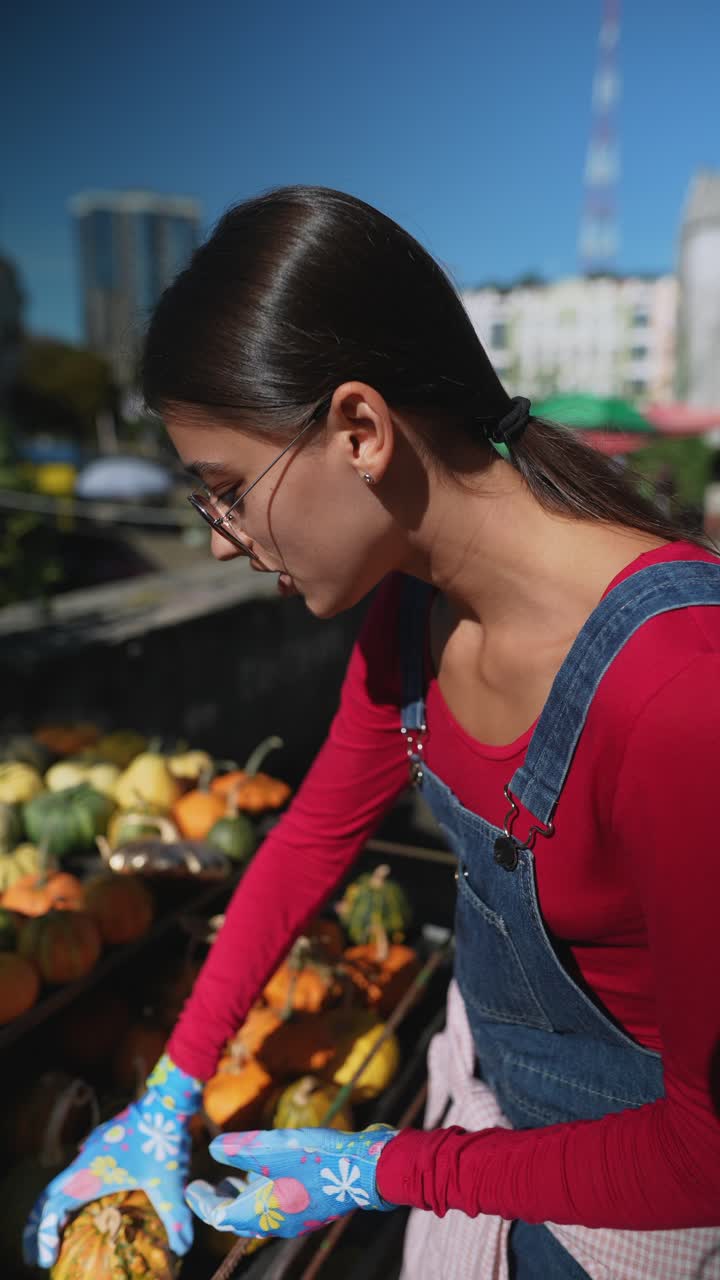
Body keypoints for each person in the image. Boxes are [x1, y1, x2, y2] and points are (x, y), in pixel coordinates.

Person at [25, 186, 720, 1279]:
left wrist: (393, 1169)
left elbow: (703, 1150)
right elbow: (308, 840)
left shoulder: (681, 700)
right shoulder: (408, 611)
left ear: (361, 428)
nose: (219, 542)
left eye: (227, 491)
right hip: (481, 1112)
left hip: (624, 1213)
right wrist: (172, 1086)